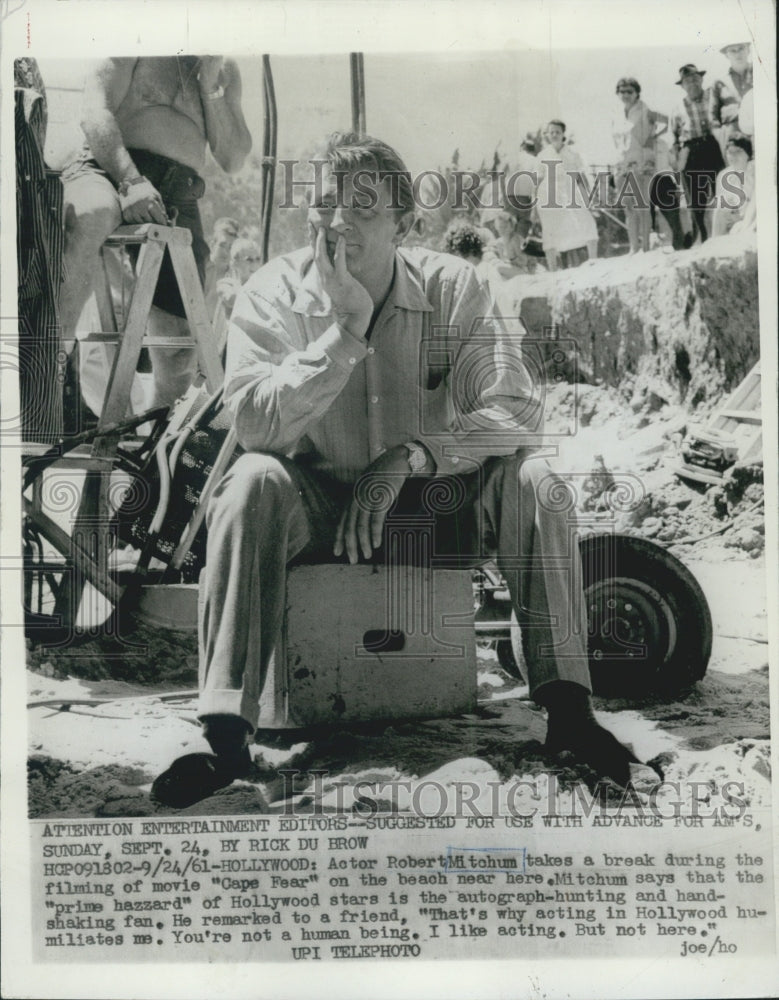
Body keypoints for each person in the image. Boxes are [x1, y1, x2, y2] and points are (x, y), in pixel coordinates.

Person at [151, 130, 640, 808]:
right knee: (248, 485)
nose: (337, 220)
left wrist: (411, 457)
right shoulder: (271, 293)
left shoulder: (456, 288)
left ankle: (568, 712)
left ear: (404, 222)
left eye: (362, 205)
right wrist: (342, 335)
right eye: (325, 202)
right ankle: (225, 738)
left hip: (437, 509)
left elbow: (517, 410)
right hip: (319, 510)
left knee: (537, 482)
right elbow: (255, 426)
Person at [60, 57, 252, 413]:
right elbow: (94, 112)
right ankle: (44, 370)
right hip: (109, 167)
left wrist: (210, 88)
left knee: (179, 351)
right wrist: (130, 180)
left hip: (179, 192)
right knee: (91, 216)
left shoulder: (223, 68)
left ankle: (152, 456)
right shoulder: (134, 39)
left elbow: (233, 157)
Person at [669, 63, 726, 245]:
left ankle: (725, 236)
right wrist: (677, 160)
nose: (692, 83)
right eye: (687, 81)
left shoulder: (712, 98)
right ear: (682, 85)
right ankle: (701, 239)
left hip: (712, 145)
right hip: (690, 150)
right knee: (695, 200)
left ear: (701, 79)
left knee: (722, 190)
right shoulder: (677, 106)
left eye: (695, 79)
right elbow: (673, 136)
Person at [611, 77, 668, 253]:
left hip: (642, 161)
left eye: (630, 91)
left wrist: (654, 137)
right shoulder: (618, 114)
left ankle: (645, 248)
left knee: (642, 206)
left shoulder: (644, 109)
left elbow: (666, 120)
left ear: (637, 93)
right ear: (618, 93)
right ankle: (633, 247)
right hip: (623, 163)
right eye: (622, 91)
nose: (626, 95)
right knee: (628, 206)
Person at [535, 120, 599, 271]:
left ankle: (594, 261)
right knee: (549, 229)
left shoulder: (573, 153)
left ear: (563, 134)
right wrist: (533, 201)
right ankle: (552, 269)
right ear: (547, 135)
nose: (554, 135)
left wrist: (589, 197)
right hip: (549, 194)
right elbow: (537, 180)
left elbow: (581, 177)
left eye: (557, 132)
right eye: (551, 132)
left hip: (571, 191)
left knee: (586, 221)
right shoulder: (542, 155)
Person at [711, 134, 756, 237]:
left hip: (753, 217)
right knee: (719, 210)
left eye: (738, 152)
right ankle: (714, 245)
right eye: (730, 153)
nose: (733, 156)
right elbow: (724, 206)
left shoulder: (754, 171)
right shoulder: (723, 175)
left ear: (748, 154)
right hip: (736, 217)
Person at [712, 42, 753, 151]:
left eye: (741, 49)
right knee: (736, 167)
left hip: (756, 126)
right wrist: (720, 135)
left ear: (748, 50)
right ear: (726, 55)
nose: (737, 54)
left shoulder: (761, 73)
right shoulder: (719, 82)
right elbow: (712, 116)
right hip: (731, 131)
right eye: (732, 51)